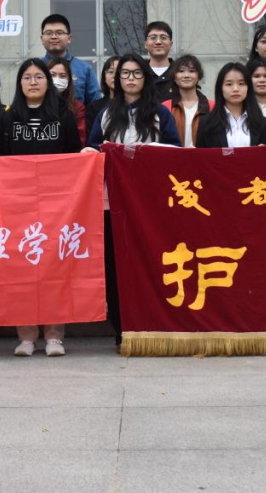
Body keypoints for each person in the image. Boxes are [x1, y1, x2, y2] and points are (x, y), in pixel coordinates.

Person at [85, 53, 179, 347]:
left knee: (150, 261)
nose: (130, 79)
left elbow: (174, 150)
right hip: (112, 201)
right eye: (125, 73)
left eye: (137, 73)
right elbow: (92, 149)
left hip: (150, 202)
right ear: (117, 79)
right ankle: (121, 329)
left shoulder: (160, 113)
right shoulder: (106, 114)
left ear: (146, 77)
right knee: (115, 266)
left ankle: (152, 324)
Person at [0, 59, 83, 357]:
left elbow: (73, 157)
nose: (33, 82)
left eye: (39, 77)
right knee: (21, 270)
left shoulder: (64, 115)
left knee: (55, 268)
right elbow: (0, 159)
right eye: (27, 77)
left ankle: (55, 335)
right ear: (19, 83)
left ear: (48, 82)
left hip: (57, 206)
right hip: (17, 205)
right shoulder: (8, 118)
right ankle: (27, 336)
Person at [196, 62, 266, 148]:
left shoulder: (263, 123)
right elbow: (201, 155)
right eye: (229, 84)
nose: (235, 89)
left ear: (248, 87)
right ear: (220, 88)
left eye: (241, 83)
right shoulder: (206, 123)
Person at [40, 13, 101, 105]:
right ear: (42, 39)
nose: (54, 37)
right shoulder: (35, 68)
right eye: (48, 33)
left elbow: (95, 105)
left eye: (59, 33)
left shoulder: (84, 69)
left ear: (69, 38)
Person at [162, 54, 213, 148]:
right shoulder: (165, 107)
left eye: (192, 71)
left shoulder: (212, 107)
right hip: (173, 156)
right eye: (181, 71)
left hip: (204, 156)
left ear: (198, 76)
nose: (186, 75)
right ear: (174, 77)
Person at [48, 57, 86, 145]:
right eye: (52, 75)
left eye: (62, 76)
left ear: (69, 80)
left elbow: (80, 139)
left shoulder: (77, 107)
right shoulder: (38, 104)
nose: (57, 80)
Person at [85, 55, 119, 136]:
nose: (114, 76)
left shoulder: (135, 106)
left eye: (119, 72)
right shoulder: (94, 108)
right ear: (104, 77)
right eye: (110, 72)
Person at [144, 21, 176, 98]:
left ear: (171, 44)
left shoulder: (180, 72)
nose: (158, 42)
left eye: (163, 38)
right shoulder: (139, 72)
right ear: (145, 44)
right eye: (153, 37)